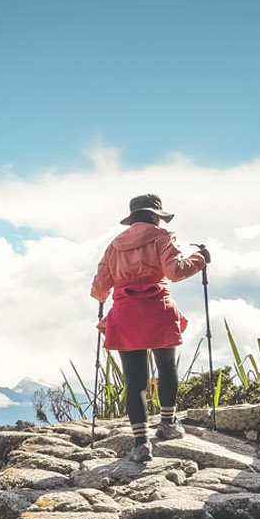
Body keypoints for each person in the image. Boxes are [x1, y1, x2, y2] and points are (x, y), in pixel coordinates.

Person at [90, 193, 209, 462]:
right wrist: (200, 259)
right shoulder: (162, 237)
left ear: (132, 219)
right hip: (158, 309)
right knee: (166, 366)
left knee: (135, 380)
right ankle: (168, 424)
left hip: (126, 314)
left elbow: (100, 287)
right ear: (156, 217)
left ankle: (141, 443)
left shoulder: (114, 246)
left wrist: (101, 297)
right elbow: (176, 272)